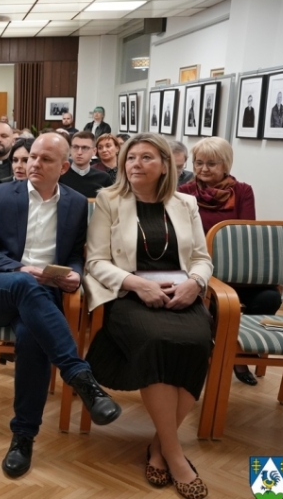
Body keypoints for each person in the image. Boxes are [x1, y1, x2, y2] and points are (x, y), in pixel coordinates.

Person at [0, 132, 121, 478]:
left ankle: (23, 436)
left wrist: (76, 275)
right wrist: (21, 269)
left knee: (32, 337)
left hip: (42, 296)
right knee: (25, 283)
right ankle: (80, 375)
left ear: (63, 167)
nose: (33, 163)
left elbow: (73, 254)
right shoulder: (1, 194)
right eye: (32, 157)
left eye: (45, 159)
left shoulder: (76, 203)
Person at [84, 133, 212, 498]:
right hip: (130, 296)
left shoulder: (186, 203)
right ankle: (174, 454)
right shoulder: (109, 200)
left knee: (197, 342)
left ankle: (159, 446)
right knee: (157, 340)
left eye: (146, 158)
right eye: (130, 157)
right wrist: (139, 285)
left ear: (165, 166)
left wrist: (195, 284)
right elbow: (96, 260)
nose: (135, 164)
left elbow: (201, 258)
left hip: (181, 295)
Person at [178, 136, 280, 387]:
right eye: (198, 162)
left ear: (226, 164)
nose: (203, 169)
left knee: (269, 298)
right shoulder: (185, 192)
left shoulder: (243, 191)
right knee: (212, 305)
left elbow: (244, 234)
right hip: (198, 268)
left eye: (211, 163)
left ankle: (239, 355)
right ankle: (208, 355)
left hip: (236, 270)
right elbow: (182, 234)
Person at [59, 131, 112, 198]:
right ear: (70, 149)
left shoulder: (103, 178)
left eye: (85, 148)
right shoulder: (59, 176)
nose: (79, 152)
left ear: (94, 151)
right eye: (75, 147)